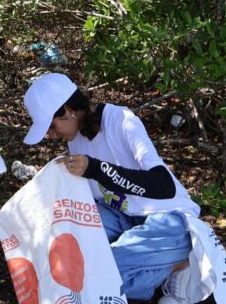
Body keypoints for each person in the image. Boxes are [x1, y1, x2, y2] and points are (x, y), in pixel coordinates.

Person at [22, 73, 201, 304]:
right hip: (119, 214)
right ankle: (161, 269)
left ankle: (179, 264)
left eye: (51, 126)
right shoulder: (75, 138)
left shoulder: (121, 120)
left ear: (68, 110)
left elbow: (163, 186)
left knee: (103, 273)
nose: (51, 134)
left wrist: (97, 169)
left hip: (168, 217)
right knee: (64, 252)